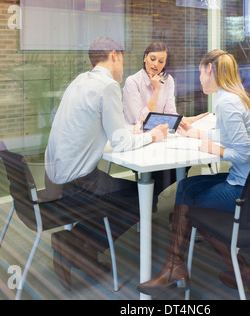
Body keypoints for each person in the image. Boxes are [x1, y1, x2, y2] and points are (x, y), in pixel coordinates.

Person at [137, 49, 250, 296]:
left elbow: (243, 153)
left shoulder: (227, 102)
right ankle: (177, 264)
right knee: (187, 187)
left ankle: (187, 267)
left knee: (193, 210)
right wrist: (196, 134)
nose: (199, 78)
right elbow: (229, 135)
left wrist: (214, 149)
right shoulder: (234, 96)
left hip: (249, 187)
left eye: (200, 72)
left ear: (209, 69)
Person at [44, 37, 169, 288]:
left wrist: (130, 132)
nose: (123, 66)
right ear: (115, 55)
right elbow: (121, 142)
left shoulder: (81, 80)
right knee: (142, 198)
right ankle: (74, 243)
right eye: (122, 58)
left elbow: (105, 127)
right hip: (78, 182)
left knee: (125, 194)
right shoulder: (108, 86)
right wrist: (151, 136)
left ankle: (84, 248)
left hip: (53, 177)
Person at [122, 41, 207, 197]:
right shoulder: (132, 82)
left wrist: (188, 119)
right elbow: (140, 120)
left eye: (161, 61)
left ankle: (154, 196)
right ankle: (148, 197)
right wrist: (156, 90)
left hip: (160, 136)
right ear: (145, 58)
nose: (155, 64)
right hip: (137, 138)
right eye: (152, 59)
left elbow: (170, 112)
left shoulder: (168, 80)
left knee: (186, 159)